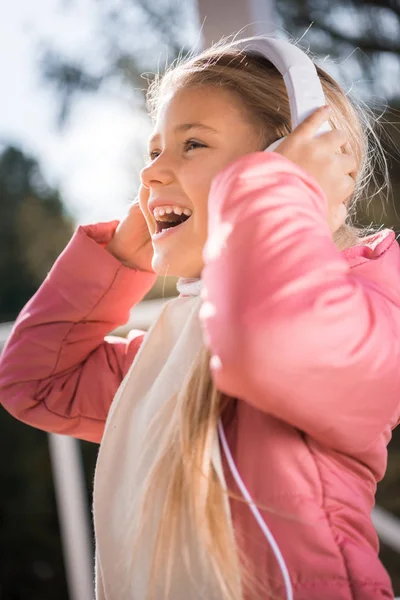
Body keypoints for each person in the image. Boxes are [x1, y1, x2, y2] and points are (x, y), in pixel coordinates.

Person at [0, 35, 399, 600]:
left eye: (192, 144)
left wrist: (277, 195)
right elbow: (37, 383)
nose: (153, 173)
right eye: (153, 150)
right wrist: (114, 261)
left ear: (298, 167)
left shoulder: (364, 307)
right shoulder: (175, 344)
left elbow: (266, 346)